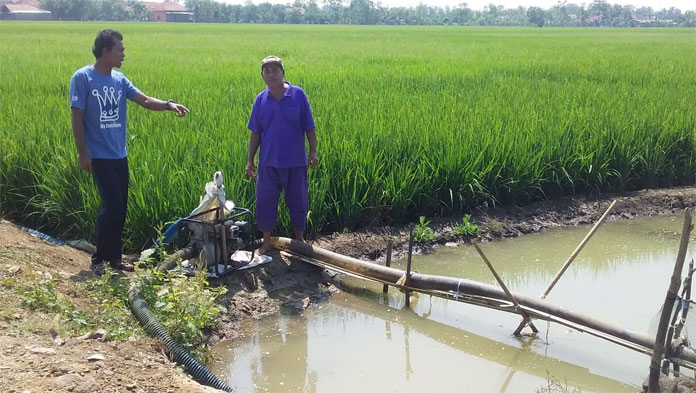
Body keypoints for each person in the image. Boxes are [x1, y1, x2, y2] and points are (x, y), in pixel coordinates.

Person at [69, 29, 189, 273]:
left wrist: (168, 105)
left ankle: (114, 258)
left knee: (120, 206)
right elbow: (77, 117)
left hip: (118, 154)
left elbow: (144, 100)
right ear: (106, 51)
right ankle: (100, 260)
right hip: (99, 154)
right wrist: (83, 153)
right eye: (120, 50)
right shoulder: (83, 78)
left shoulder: (119, 79)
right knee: (111, 205)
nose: (124, 54)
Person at [245, 55, 318, 254]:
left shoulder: (298, 95)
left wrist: (313, 151)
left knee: (298, 200)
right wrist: (250, 160)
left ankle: (300, 239)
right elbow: (256, 133)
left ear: (283, 73)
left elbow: (309, 127)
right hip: (268, 163)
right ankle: (267, 242)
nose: (271, 74)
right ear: (262, 76)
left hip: (295, 162)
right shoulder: (261, 100)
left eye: (274, 70)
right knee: (265, 202)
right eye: (266, 71)